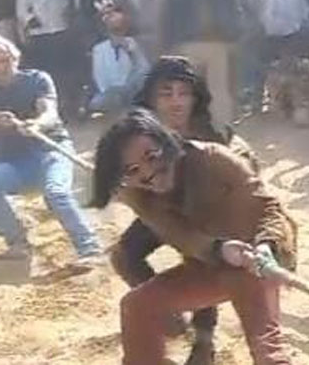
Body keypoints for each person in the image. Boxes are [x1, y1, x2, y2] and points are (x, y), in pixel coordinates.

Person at [91, 108, 296, 365]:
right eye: (132, 170)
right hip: (210, 261)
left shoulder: (214, 158)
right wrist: (220, 250)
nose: (148, 173)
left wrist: (267, 248)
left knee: (268, 351)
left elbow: (269, 209)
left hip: (257, 260)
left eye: (152, 156)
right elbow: (180, 235)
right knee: (137, 306)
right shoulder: (136, 193)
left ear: (167, 143)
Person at [110, 57, 260, 364]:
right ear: (152, 99)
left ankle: (204, 341)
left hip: (212, 219)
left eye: (183, 93)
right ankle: (170, 313)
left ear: (195, 97)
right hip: (166, 213)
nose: (176, 102)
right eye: (166, 94)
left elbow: (248, 177)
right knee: (124, 254)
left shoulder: (216, 133)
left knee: (200, 256)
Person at [0, 37, 103, 264]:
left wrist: (37, 124)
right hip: (16, 163)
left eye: (5, 60)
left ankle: (89, 248)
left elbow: (50, 112)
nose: (1, 67)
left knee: (56, 193)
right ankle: (18, 242)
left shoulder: (38, 79)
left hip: (51, 152)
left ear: (15, 58)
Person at [162, 0, 242, 129]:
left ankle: (221, 129)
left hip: (217, 41)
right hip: (188, 43)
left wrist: (233, 37)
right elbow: (171, 16)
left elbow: (234, 9)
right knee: (189, 90)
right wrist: (172, 44)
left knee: (218, 90)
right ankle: (192, 129)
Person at [250, 0, 309, 109]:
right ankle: (262, 103)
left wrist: (304, 21)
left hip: (293, 27)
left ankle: (293, 103)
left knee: (291, 66)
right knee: (266, 69)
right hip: (269, 30)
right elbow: (254, 3)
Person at [20, 0, 78, 120]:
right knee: (44, 75)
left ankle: (68, 110)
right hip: (39, 36)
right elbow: (22, 7)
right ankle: (48, 111)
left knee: (62, 74)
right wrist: (29, 19)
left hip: (59, 32)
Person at [90, 3, 149, 113]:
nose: (111, 17)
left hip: (133, 93)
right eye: (107, 15)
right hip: (111, 95)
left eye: (115, 12)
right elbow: (101, 81)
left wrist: (133, 53)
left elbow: (144, 72)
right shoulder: (99, 49)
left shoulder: (134, 44)